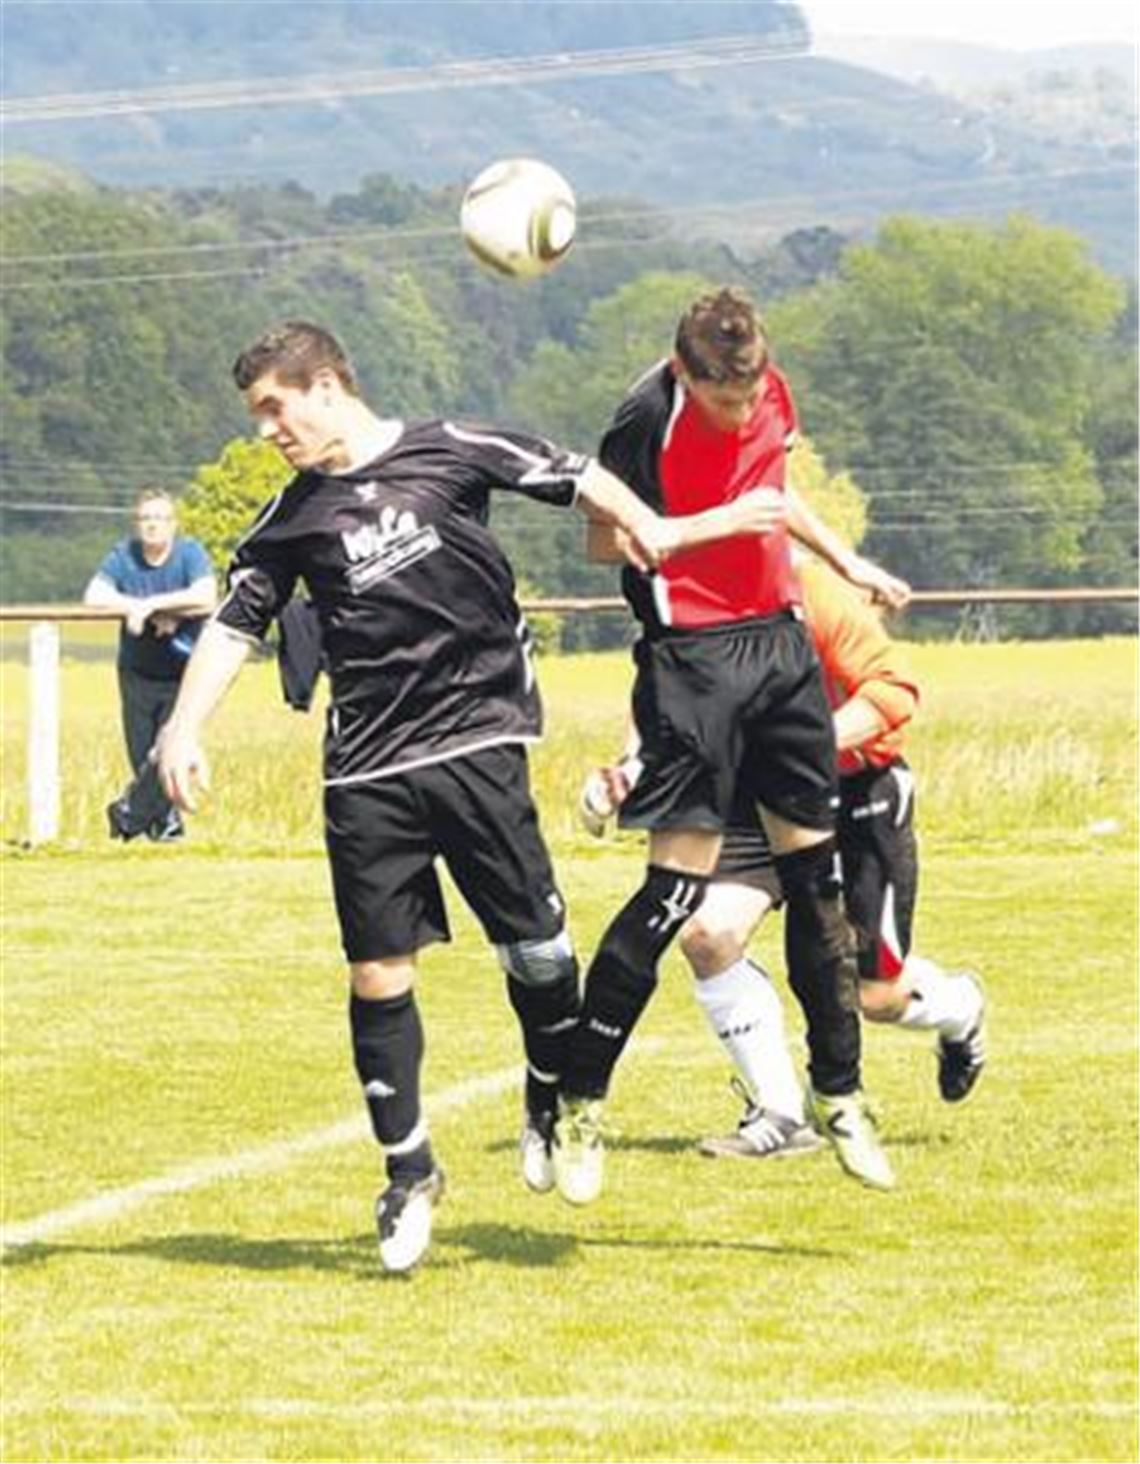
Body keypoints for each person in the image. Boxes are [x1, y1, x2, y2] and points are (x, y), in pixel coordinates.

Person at [155, 320, 782, 1274]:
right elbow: (237, 626)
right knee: (377, 974)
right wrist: (182, 727)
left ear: (327, 384)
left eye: (276, 408)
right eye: (259, 417)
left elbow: (571, 474)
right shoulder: (292, 518)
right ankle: (409, 1174)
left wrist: (646, 525)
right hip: (367, 771)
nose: (268, 431)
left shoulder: (449, 448)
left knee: (538, 954)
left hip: (480, 744)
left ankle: (546, 1089)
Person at [550, 286, 911, 1206]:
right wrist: (691, 530)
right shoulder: (643, 417)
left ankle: (840, 1098)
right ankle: (579, 1103)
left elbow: (775, 498)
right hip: (693, 659)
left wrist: (846, 562)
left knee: (817, 893)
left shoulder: (767, 384)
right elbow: (608, 539)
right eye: (725, 401)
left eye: (752, 396)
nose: (745, 412)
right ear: (684, 372)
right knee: (672, 899)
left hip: (781, 647)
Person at [582, 557, 987, 1163]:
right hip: (759, 796)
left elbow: (894, 691)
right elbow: (666, 700)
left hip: (858, 789)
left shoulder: (814, 592)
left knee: (875, 997)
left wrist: (805, 745)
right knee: (708, 933)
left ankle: (961, 1010)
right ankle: (779, 1113)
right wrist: (628, 770)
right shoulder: (687, 603)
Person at [84, 489, 217, 842]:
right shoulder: (123, 555)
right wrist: (134, 607)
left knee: (168, 747)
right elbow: (94, 596)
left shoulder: (189, 553)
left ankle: (129, 815)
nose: (152, 526)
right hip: (136, 671)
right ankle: (162, 826)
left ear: (173, 525)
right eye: (145, 519)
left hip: (182, 671)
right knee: (142, 753)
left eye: (159, 519)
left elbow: (206, 595)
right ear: (137, 524)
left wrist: (157, 607)